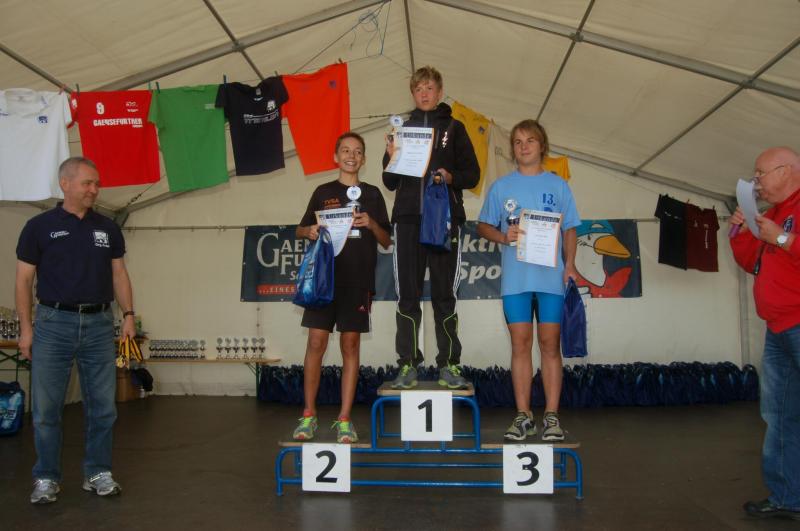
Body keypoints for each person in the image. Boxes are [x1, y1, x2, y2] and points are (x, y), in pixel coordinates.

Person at [15, 156, 136, 504]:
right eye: (87, 183)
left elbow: (119, 274)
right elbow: (23, 281)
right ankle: (46, 478)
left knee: (103, 407)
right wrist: (26, 329)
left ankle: (97, 473)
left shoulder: (107, 228)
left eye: (97, 183)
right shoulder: (38, 227)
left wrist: (129, 315)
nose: (94, 190)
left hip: (99, 324)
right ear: (65, 184)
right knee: (46, 409)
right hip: (53, 324)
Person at [477, 120, 579, 442]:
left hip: (550, 281)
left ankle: (551, 416)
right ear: (512, 149)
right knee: (520, 345)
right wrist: (503, 236)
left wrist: (570, 265)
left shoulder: (559, 185)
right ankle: (523, 416)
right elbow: (483, 226)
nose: (524, 147)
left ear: (542, 146)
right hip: (516, 283)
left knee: (550, 345)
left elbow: (571, 228)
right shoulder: (501, 187)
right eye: (518, 142)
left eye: (530, 140)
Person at [383, 66, 480, 390]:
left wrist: (451, 177)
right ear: (412, 93)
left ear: (439, 92)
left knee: (444, 295)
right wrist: (391, 156)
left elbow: (473, 174)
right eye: (418, 89)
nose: (424, 94)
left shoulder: (454, 127)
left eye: (429, 88)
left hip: (444, 220)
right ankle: (408, 364)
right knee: (407, 296)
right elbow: (389, 181)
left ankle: (449, 364)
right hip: (408, 220)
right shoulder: (402, 129)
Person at [293, 132, 391, 443]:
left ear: (364, 159)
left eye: (357, 151)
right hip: (324, 280)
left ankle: (345, 419)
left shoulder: (373, 194)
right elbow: (299, 229)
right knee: (316, 343)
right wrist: (309, 231)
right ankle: (308, 415)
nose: (351, 155)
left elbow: (387, 240)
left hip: (358, 281)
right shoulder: (322, 192)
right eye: (346, 150)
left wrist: (371, 223)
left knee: (350, 346)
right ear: (336, 157)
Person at [730, 146, 800, 521]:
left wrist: (783, 239)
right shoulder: (772, 214)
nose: (756, 181)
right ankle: (787, 496)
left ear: (786, 171)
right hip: (778, 329)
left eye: (761, 174)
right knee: (779, 415)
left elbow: (784, 245)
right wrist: (742, 231)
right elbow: (749, 262)